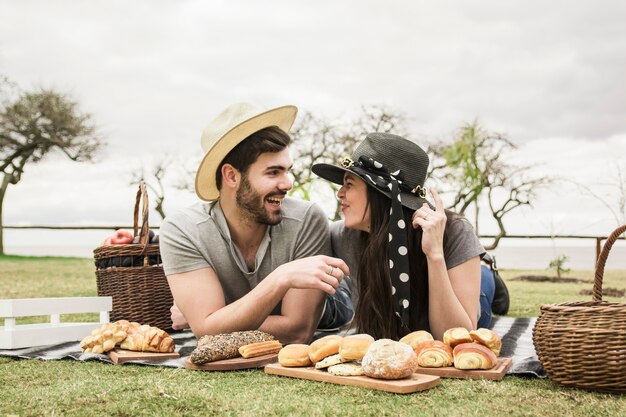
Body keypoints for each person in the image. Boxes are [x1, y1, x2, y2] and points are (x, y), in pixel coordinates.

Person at [160, 103, 353, 344]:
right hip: (274, 300)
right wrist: (281, 278)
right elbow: (206, 331)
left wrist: (214, 319)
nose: (288, 184)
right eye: (273, 173)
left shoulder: (306, 219)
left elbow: (298, 332)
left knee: (340, 303)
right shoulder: (183, 230)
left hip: (331, 304)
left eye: (287, 171)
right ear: (231, 176)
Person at [312, 132, 494, 341]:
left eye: (349, 184)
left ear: (379, 193)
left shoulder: (454, 231)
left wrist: (435, 255)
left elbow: (453, 335)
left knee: (486, 285)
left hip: (469, 298)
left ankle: (487, 267)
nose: (340, 193)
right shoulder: (344, 235)